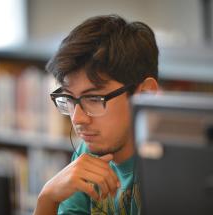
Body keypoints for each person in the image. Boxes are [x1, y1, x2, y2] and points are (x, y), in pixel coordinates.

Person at [34, 14, 159, 215]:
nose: (77, 119)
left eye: (93, 99)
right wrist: (47, 198)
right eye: (70, 99)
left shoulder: (171, 171)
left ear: (145, 94)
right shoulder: (88, 152)